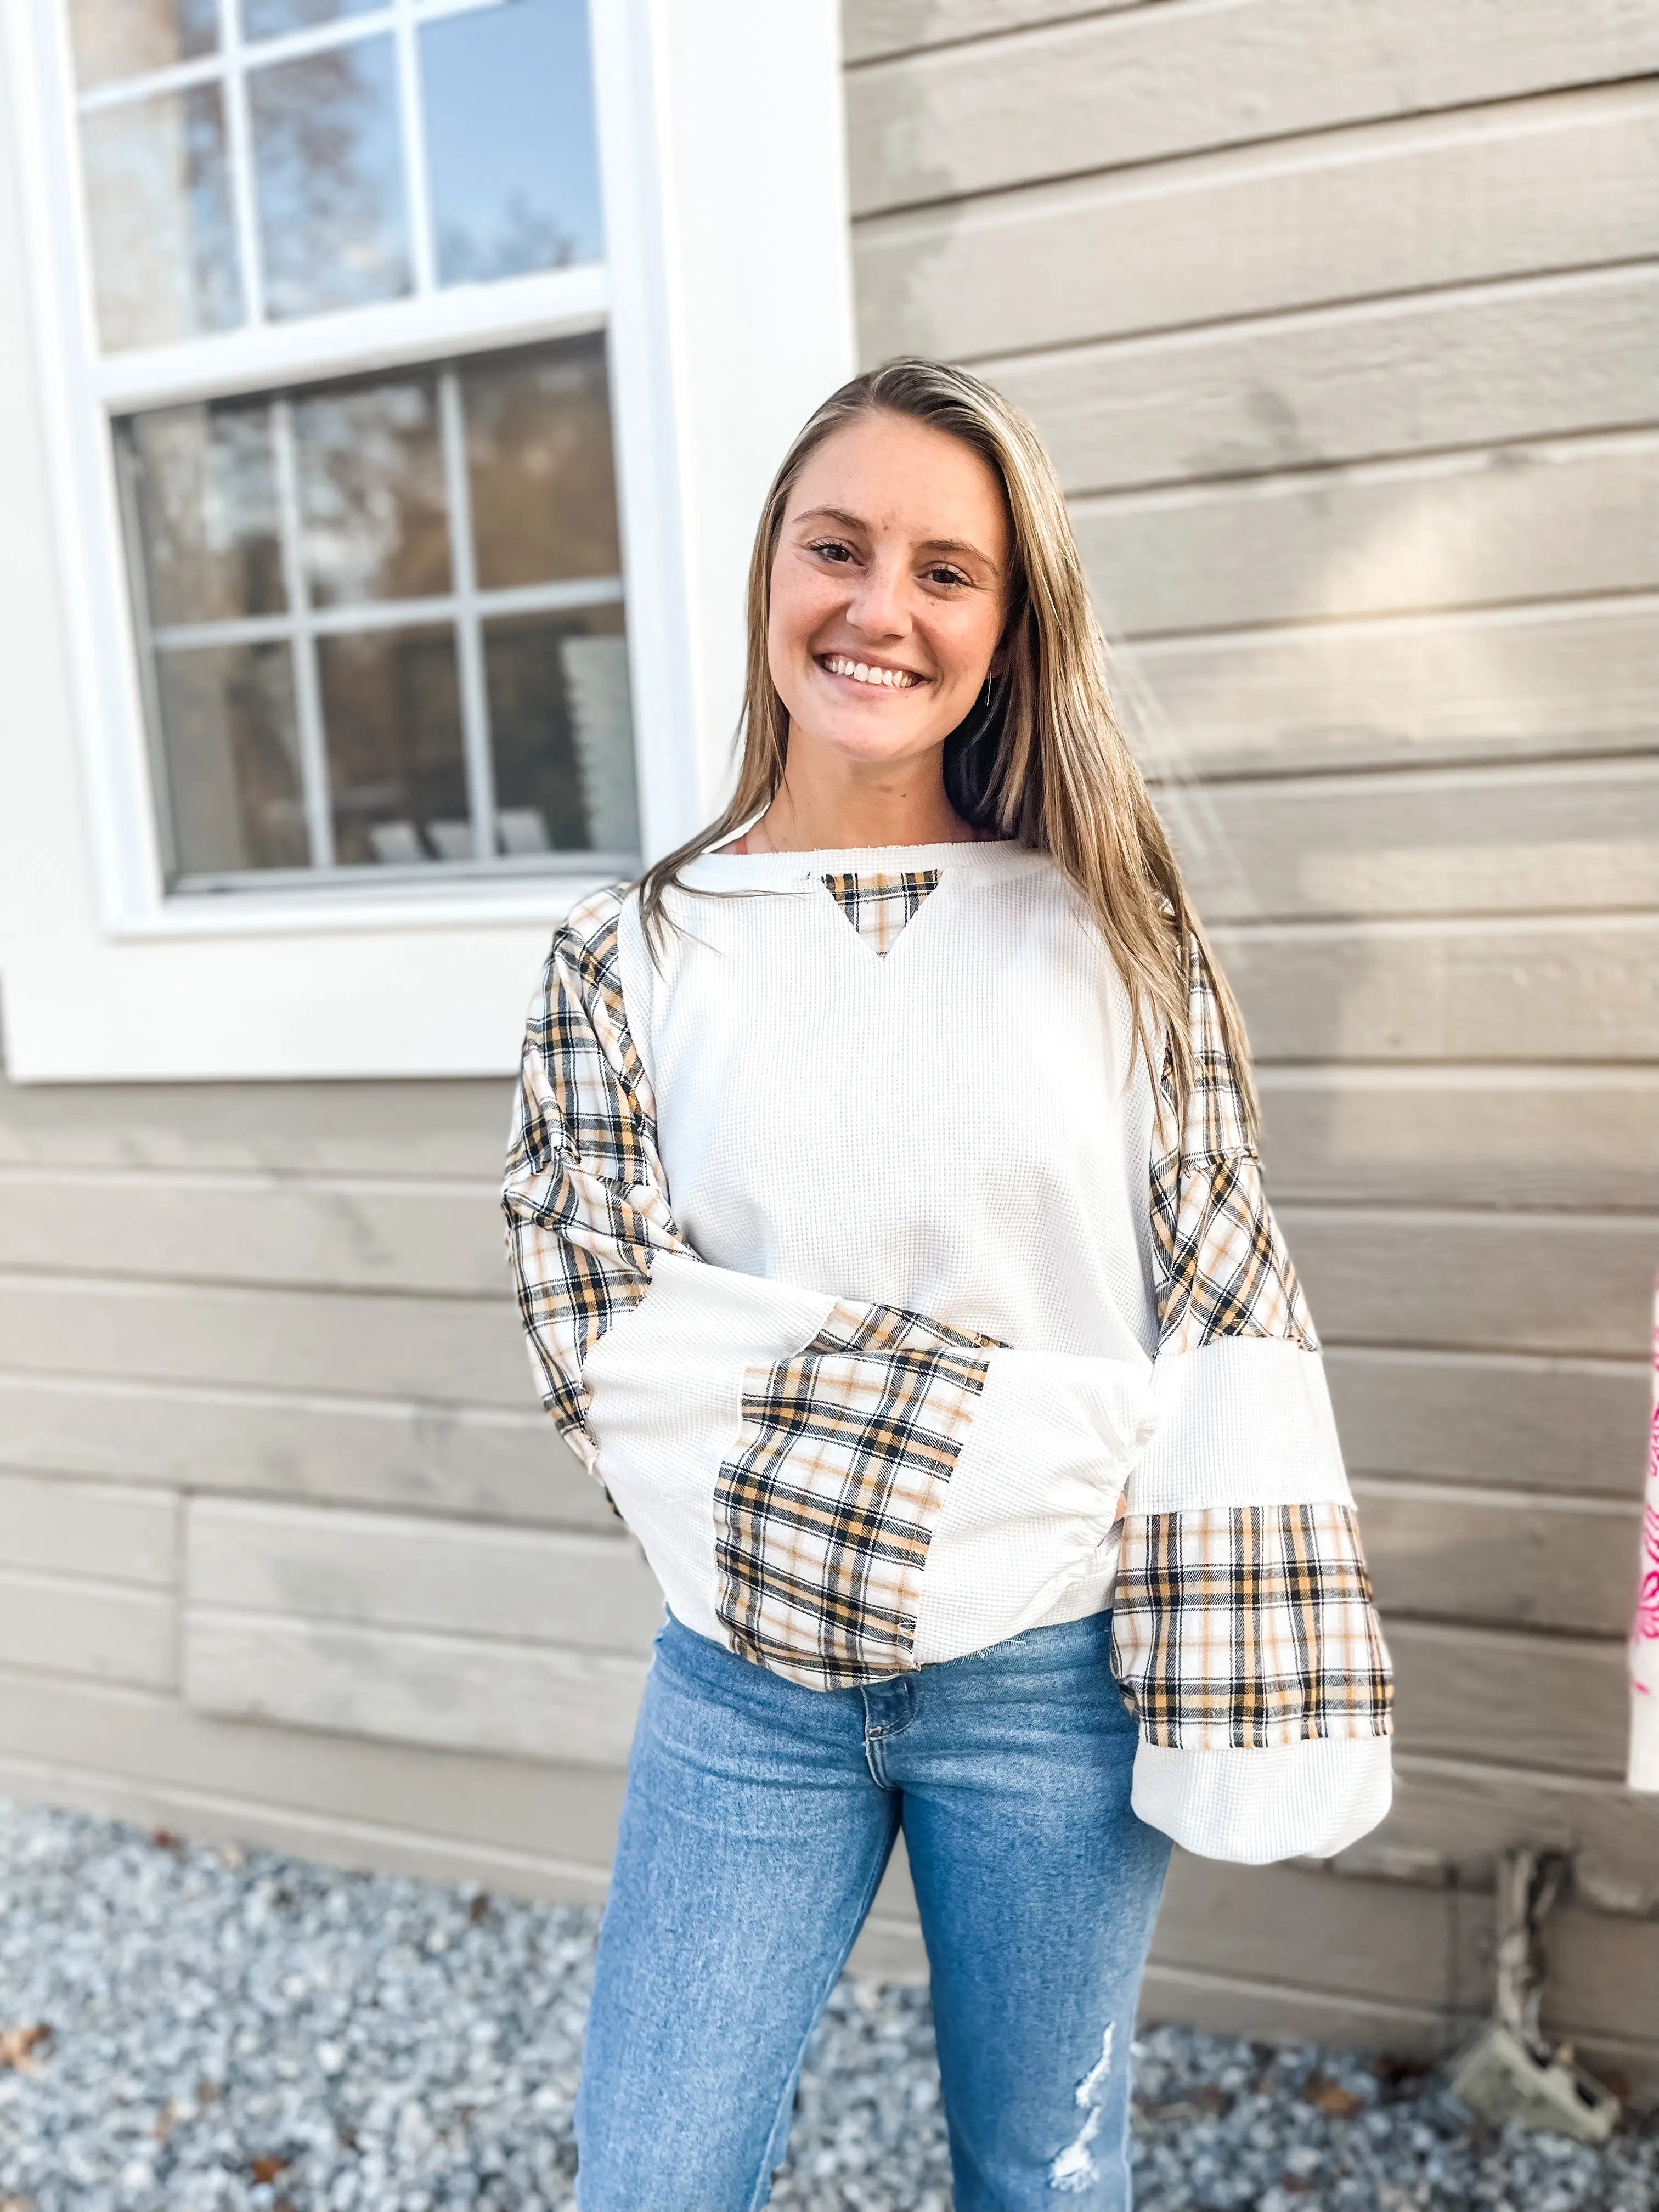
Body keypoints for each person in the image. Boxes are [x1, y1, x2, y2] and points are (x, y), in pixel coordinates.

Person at [502, 357, 1394, 2211]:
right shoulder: (631, 958)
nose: (879, 608)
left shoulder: (1119, 941)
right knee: (652, 2175)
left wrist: (1071, 1490)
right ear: (770, 577)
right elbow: (603, 1332)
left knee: (1044, 2174)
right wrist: (1054, 1425)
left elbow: (1228, 1310)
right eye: (837, 547)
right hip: (746, 1679)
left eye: (946, 569)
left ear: (1010, 625)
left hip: (1054, 1679)